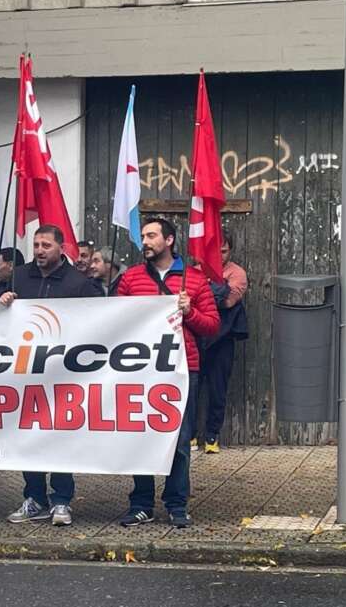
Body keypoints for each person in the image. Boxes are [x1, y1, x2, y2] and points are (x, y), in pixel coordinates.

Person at [116, 217, 219, 529]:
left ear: (169, 240)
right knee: (140, 436)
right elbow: (114, 320)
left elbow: (212, 325)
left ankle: (177, 503)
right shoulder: (131, 279)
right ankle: (141, 503)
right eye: (143, 236)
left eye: (151, 236)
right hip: (140, 368)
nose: (145, 242)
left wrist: (190, 312)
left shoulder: (196, 280)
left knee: (180, 438)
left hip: (183, 369)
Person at [0, 225, 102, 526]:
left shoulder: (78, 283)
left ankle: (61, 500)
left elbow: (98, 321)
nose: (40, 250)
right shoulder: (19, 276)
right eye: (36, 244)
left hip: (63, 376)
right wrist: (3, 301)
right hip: (25, 374)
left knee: (59, 438)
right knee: (28, 437)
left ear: (60, 248)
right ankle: (34, 498)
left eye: (46, 245)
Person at [197, 231, 249, 454]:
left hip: (222, 337)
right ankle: (189, 434)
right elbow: (189, 297)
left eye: (224, 250)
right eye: (215, 250)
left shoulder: (238, 273)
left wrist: (204, 293)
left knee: (218, 389)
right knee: (192, 386)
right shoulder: (197, 270)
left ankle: (211, 436)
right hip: (198, 335)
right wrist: (216, 290)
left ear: (231, 250)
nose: (219, 254)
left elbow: (228, 301)